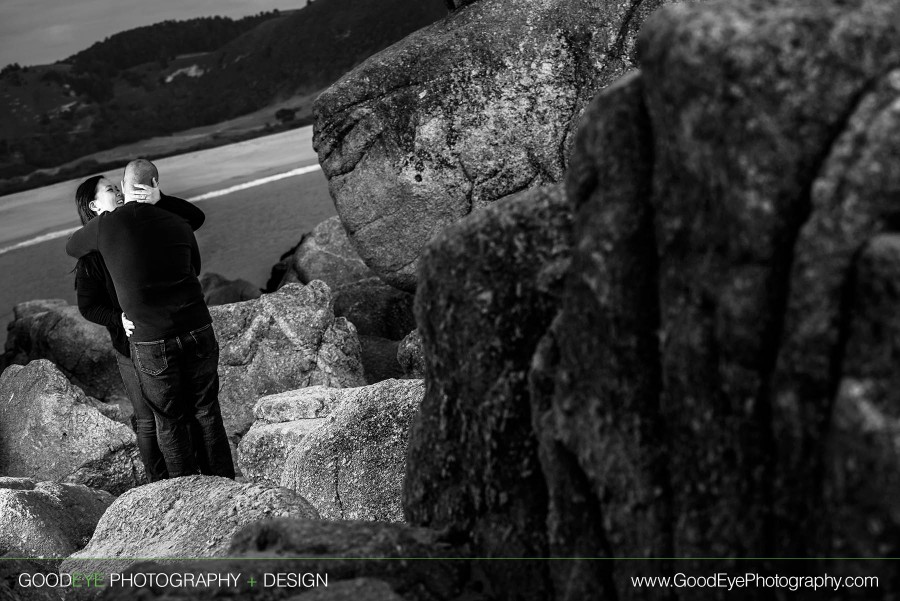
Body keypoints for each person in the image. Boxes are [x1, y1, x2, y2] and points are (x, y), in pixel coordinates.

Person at [66, 159, 234, 479]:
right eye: (109, 189)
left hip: (152, 337)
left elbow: (71, 245)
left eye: (118, 186)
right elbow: (194, 261)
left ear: (128, 189)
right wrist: (118, 318)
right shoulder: (175, 221)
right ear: (153, 185)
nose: (115, 191)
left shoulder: (108, 227)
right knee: (201, 413)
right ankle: (216, 482)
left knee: (170, 420)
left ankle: (189, 492)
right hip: (188, 328)